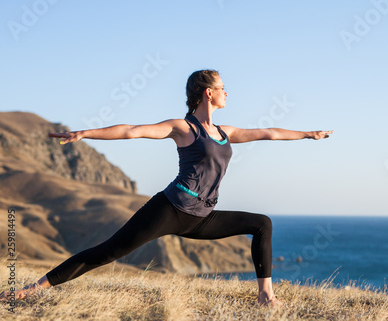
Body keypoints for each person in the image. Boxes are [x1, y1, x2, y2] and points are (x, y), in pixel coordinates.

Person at [0, 70, 333, 307]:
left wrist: (308, 134)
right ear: (208, 93)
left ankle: (266, 295)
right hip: (170, 210)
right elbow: (132, 130)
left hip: (202, 217)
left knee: (262, 223)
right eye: (222, 87)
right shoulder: (182, 128)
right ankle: (31, 289)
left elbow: (269, 133)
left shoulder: (223, 131)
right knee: (108, 252)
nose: (227, 92)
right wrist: (86, 132)